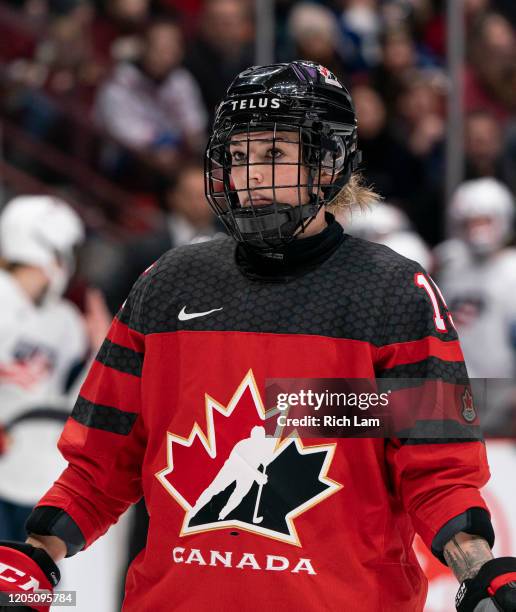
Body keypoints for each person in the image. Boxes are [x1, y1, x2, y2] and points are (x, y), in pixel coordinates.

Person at [1, 61, 515, 612]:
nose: (251, 177)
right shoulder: (167, 286)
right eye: (240, 157)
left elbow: (437, 474)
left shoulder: (393, 296)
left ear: (326, 164)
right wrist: (36, 556)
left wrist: (481, 570)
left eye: (274, 155)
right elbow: (100, 464)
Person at [0, 196, 88, 542]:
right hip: (10, 466)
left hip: (37, 473)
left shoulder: (64, 319)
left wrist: (100, 348)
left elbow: (68, 396)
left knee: (29, 588)